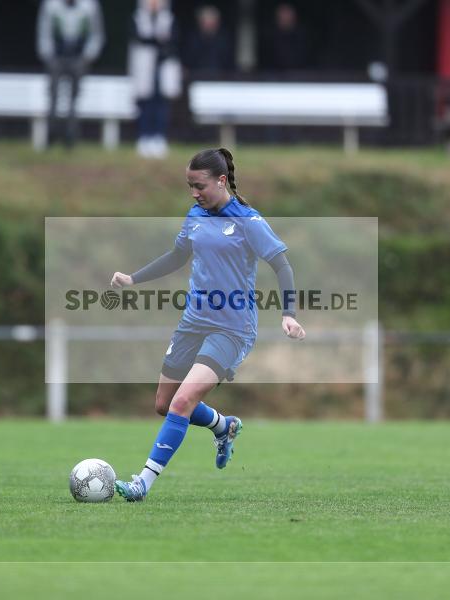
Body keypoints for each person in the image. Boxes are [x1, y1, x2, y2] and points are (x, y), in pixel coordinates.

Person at [109, 148, 305, 502]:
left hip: (231, 329)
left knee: (182, 401)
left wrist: (288, 313)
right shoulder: (196, 216)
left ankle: (142, 483)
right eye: (189, 185)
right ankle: (223, 425)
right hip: (193, 322)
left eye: (199, 185)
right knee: (164, 404)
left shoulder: (248, 221)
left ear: (221, 180)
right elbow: (177, 257)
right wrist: (133, 279)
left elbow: (282, 265)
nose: (194, 193)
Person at [36, 0, 105, 149]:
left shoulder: (89, 6)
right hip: (56, 56)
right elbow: (44, 32)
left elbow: (96, 34)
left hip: (78, 57)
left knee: (74, 99)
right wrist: (49, 57)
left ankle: (70, 137)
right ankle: (51, 135)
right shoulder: (51, 5)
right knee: (53, 97)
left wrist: (87, 56)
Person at [128, 0, 181, 159]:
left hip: (163, 68)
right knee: (145, 104)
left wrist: (154, 41)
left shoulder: (169, 19)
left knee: (161, 104)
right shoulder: (137, 18)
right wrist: (157, 40)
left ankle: (159, 137)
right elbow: (137, 39)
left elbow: (173, 41)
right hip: (144, 68)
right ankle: (144, 137)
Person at [182, 5, 235, 77]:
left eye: (211, 22)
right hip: (196, 77)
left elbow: (228, 63)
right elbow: (188, 61)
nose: (208, 25)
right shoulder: (193, 39)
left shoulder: (224, 40)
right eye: (206, 22)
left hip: (220, 78)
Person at [258, 3, 310, 72]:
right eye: (283, 13)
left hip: (299, 76)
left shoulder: (302, 37)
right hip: (273, 77)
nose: (285, 17)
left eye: (287, 13)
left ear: (294, 15)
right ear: (277, 16)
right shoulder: (269, 37)